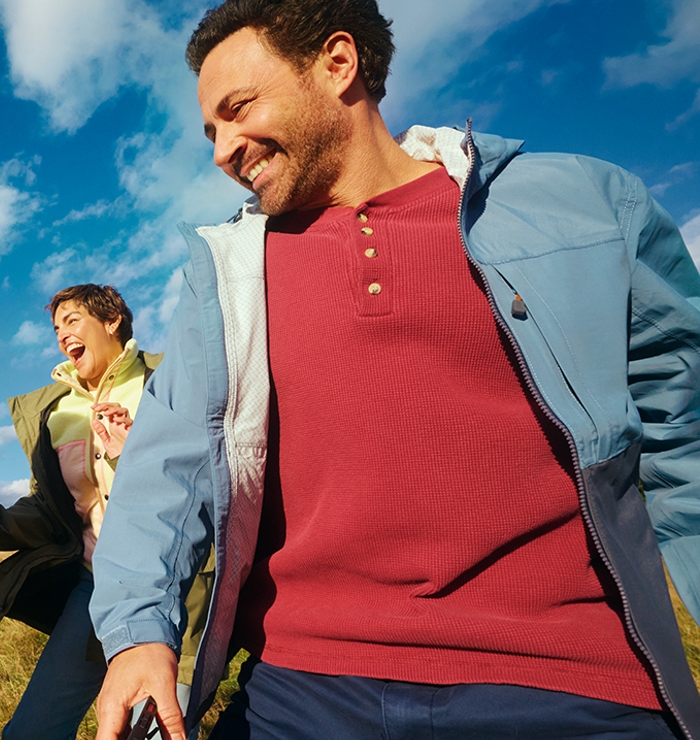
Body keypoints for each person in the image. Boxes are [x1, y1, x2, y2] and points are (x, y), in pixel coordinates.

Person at [87, 2, 700, 739]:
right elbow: (167, 464)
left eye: (237, 109)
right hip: (299, 692)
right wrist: (136, 633)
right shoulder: (229, 276)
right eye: (210, 130)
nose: (221, 149)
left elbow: (684, 435)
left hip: (567, 685)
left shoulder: (586, 206)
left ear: (338, 63)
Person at [0, 284, 205, 740]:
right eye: (56, 327)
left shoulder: (170, 381)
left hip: (179, 590)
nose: (62, 334)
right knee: (30, 731)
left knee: (155, 734)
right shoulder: (54, 413)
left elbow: (211, 478)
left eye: (73, 320)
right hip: (94, 588)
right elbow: (49, 510)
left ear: (113, 320)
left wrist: (133, 455)